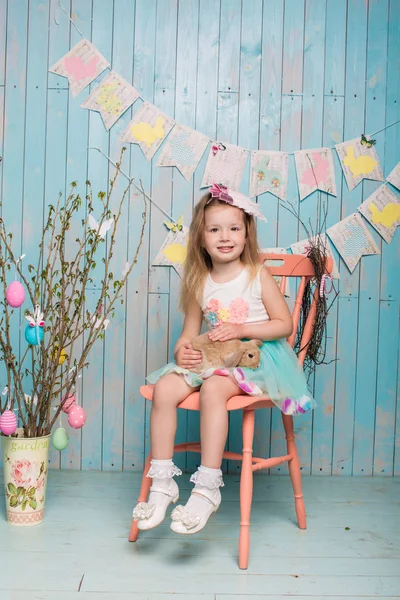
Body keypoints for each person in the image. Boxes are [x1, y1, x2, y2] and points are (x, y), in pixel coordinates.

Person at [132, 183, 314, 535]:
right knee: (166, 388)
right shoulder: (200, 280)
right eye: (214, 229)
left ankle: (207, 486)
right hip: (214, 355)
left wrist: (240, 327)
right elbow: (189, 333)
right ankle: (163, 481)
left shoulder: (256, 273)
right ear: (201, 238)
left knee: (215, 388)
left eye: (234, 228)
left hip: (255, 357)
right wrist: (180, 350)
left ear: (247, 235)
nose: (225, 236)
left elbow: (284, 324)